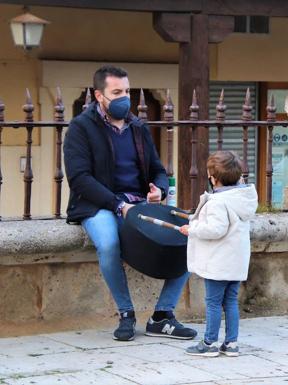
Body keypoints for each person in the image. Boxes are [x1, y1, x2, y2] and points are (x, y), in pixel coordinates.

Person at [63, 65, 197, 341]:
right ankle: (126, 313)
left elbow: (158, 170)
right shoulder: (80, 127)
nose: (125, 97)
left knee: (191, 237)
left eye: (127, 91)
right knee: (109, 243)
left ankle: (162, 315)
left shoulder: (138, 127)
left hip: (138, 204)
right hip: (97, 205)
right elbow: (79, 179)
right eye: (117, 92)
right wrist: (118, 205)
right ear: (99, 96)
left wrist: (157, 189)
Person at [181, 151, 258, 357]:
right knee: (231, 301)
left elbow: (215, 229)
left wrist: (192, 229)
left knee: (213, 302)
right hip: (236, 261)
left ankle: (209, 342)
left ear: (213, 179)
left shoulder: (218, 201)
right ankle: (231, 343)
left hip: (218, 262)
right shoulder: (242, 199)